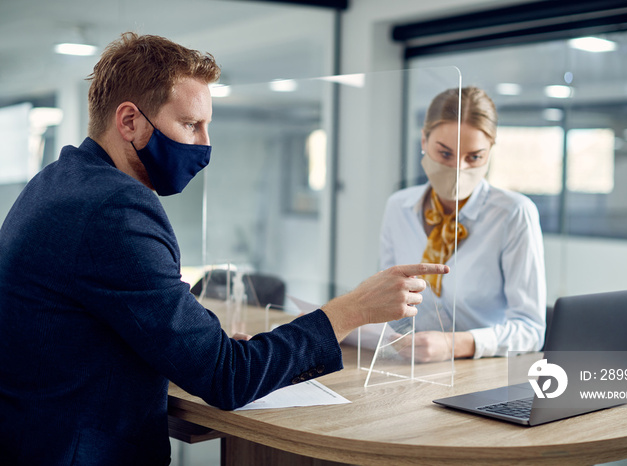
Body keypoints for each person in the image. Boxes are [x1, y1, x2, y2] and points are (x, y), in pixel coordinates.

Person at [0, 32, 448, 465]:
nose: (205, 143)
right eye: (191, 124)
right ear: (130, 121)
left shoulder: (59, 179)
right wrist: (352, 310)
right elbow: (226, 378)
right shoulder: (116, 208)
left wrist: (201, 342)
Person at [379, 86, 545, 362]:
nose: (459, 169)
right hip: (408, 371)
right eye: (445, 154)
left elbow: (531, 330)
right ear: (423, 140)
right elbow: (389, 306)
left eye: (474, 157)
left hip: (485, 377)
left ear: (490, 151)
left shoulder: (514, 214)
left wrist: (454, 345)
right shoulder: (398, 207)